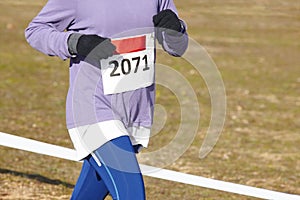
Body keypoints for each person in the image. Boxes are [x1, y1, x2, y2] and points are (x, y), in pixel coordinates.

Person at [25, 0, 188, 199]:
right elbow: (35, 31)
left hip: (135, 112)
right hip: (93, 109)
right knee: (132, 194)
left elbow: (177, 47)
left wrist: (176, 28)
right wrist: (76, 42)